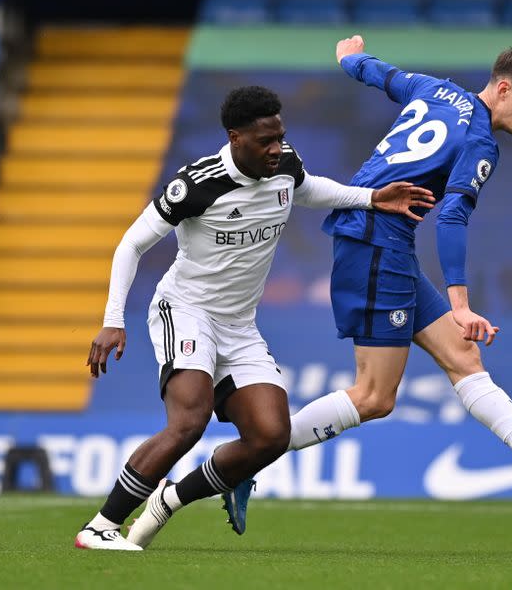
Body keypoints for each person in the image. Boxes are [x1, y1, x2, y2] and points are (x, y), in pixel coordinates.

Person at [131, 35, 512, 546]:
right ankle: (230, 467)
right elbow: (452, 216)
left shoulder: (436, 91)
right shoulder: (480, 143)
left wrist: (351, 59)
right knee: (374, 396)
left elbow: (385, 76)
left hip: (385, 242)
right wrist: (460, 303)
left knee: (463, 357)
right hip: (372, 244)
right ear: (502, 88)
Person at [74, 85, 434, 550]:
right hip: (186, 311)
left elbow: (308, 189)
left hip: (239, 325)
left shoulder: (283, 164)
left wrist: (369, 198)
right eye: (265, 140)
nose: (276, 148)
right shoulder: (197, 184)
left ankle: (173, 498)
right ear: (235, 137)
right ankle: (101, 526)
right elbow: (132, 244)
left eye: (280, 137)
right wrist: (112, 319)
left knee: (269, 436)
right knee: (189, 420)